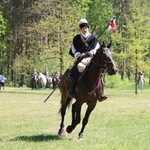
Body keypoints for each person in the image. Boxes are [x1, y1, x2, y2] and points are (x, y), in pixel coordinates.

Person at [68, 18, 107, 101]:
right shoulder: (76, 38)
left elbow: (97, 47)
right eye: (83, 28)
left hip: (91, 58)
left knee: (100, 71)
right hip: (81, 59)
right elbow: (73, 49)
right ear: (81, 29)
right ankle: (72, 89)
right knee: (79, 67)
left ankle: (101, 92)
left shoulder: (93, 38)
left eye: (86, 27)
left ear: (88, 28)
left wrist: (92, 52)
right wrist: (77, 54)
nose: (85, 29)